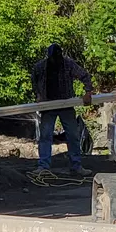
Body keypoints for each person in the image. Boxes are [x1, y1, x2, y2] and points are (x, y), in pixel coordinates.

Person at [30, 44, 93, 176]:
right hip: (48, 105)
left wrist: (88, 92)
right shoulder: (41, 67)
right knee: (46, 136)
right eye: (54, 58)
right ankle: (43, 166)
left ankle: (76, 165)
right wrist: (38, 95)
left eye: (58, 57)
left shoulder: (68, 64)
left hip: (66, 104)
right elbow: (34, 79)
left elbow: (84, 75)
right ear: (49, 57)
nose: (56, 60)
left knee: (73, 135)